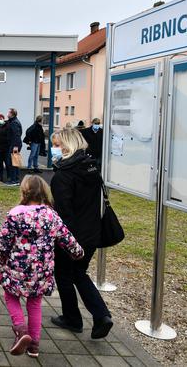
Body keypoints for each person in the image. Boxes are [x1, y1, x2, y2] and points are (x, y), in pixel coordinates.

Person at [0, 175, 84, 357]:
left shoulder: (15, 214)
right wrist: (78, 253)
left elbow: (4, 241)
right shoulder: (51, 215)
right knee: (35, 303)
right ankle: (34, 345)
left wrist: (2, 258)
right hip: (41, 271)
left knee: (11, 296)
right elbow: (67, 238)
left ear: (24, 191)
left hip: (16, 268)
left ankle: (21, 330)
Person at [49, 129, 114, 339]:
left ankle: (72, 319)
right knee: (79, 273)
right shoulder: (91, 167)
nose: (54, 149)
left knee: (64, 275)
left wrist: (60, 238)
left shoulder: (63, 175)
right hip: (92, 233)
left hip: (71, 235)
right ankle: (101, 316)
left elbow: (63, 212)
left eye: (57, 145)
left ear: (67, 146)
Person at [6, 108, 23, 185]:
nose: (7, 114)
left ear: (12, 114)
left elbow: (17, 135)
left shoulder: (14, 123)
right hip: (14, 144)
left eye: (8, 113)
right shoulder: (12, 121)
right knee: (14, 162)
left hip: (15, 145)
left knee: (13, 162)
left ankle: (14, 180)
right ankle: (15, 180)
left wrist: (15, 147)